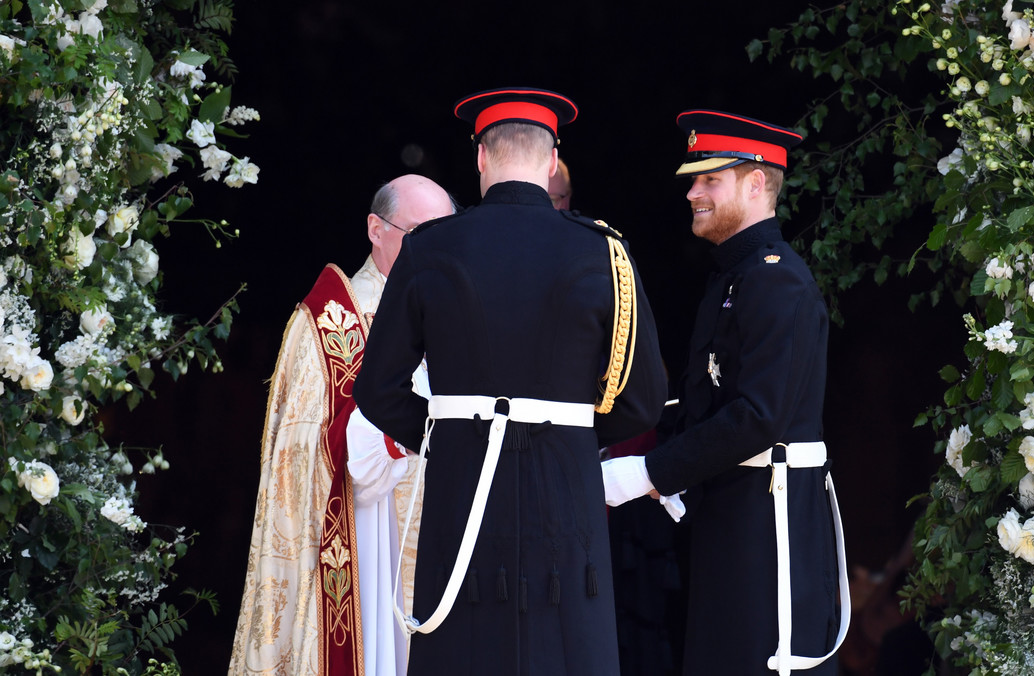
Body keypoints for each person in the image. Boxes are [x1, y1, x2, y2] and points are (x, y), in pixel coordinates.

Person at [352, 87, 668, 676]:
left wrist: (445, 439)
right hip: (564, 501)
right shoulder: (604, 252)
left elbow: (377, 390)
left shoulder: (427, 249)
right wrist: (569, 438)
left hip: (461, 493)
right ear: (552, 162)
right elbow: (644, 399)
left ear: (480, 159)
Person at [602, 110, 849, 676]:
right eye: (695, 180)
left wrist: (649, 472)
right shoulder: (736, 277)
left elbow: (756, 417)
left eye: (710, 179)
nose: (693, 192)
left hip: (769, 518)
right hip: (736, 509)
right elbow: (701, 404)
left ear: (757, 183)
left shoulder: (775, 278)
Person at [228, 174, 455, 676]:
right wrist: (386, 441)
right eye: (419, 234)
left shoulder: (459, 321)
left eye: (446, 235)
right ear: (376, 229)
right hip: (367, 564)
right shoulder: (331, 324)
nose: (435, 251)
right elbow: (299, 455)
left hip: (448, 554)